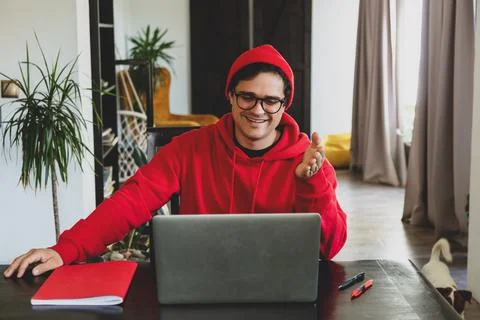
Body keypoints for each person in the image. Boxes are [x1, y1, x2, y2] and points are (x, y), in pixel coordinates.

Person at [4, 44, 347, 278]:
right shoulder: (190, 148)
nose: (258, 110)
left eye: (271, 101)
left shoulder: (308, 161)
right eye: (248, 97)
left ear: (284, 105)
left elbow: (328, 249)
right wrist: (67, 249)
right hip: (200, 280)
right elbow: (131, 200)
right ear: (230, 95)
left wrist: (310, 183)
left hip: (280, 285)